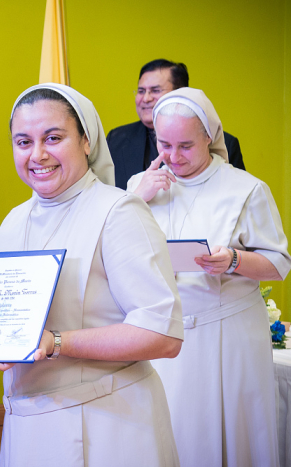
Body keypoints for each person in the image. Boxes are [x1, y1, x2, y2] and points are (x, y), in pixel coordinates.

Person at [0, 83, 184, 466]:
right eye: (23, 142)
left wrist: (57, 342)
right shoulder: (14, 220)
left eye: (53, 138)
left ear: (87, 140)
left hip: (108, 425)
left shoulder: (119, 212)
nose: (37, 154)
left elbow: (163, 335)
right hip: (27, 428)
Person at [128, 87, 290, 467]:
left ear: (209, 137)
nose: (173, 157)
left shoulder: (246, 189)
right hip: (163, 336)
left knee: (229, 437)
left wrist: (233, 260)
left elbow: (279, 263)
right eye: (164, 144)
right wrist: (135, 198)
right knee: (170, 434)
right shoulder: (141, 185)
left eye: (185, 145)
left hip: (227, 337)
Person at [107, 59, 245, 189]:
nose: (146, 98)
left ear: (181, 93)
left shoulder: (226, 142)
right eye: (141, 91)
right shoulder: (116, 138)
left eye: (155, 90)